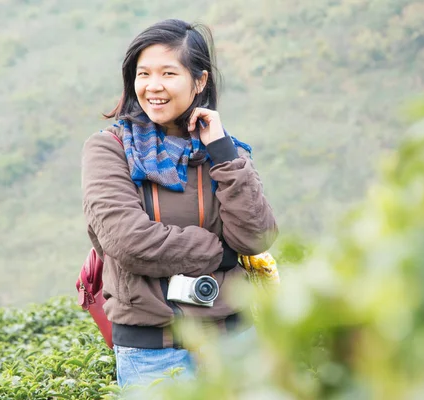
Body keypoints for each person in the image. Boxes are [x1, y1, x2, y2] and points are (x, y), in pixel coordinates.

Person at [81, 18, 278, 388]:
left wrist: (221, 151)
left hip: (234, 342)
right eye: (144, 74)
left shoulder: (225, 151)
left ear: (199, 81)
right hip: (152, 351)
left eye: (168, 73)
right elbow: (129, 242)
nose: (153, 87)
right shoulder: (109, 149)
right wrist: (222, 255)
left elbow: (256, 237)